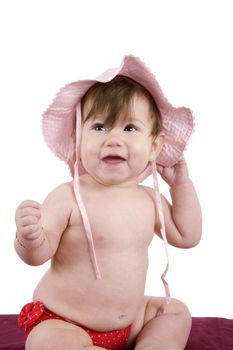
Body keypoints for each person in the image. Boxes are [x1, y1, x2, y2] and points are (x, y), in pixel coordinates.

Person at [15, 55, 202, 350]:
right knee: (46, 341)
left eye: (129, 128)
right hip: (65, 322)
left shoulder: (149, 200)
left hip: (130, 324)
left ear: (154, 146)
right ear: (78, 138)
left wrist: (181, 186)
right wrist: (30, 236)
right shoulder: (69, 196)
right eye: (100, 127)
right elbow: (37, 255)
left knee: (175, 311)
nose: (113, 139)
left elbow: (187, 235)